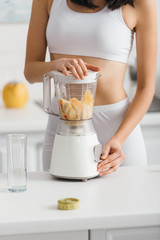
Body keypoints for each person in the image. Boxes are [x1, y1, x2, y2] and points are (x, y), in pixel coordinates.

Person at [24, 0, 157, 176]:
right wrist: (57, 65)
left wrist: (118, 140)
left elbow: (146, 88)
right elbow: (30, 71)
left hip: (117, 135)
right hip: (63, 130)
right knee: (62, 202)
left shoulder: (141, 3)